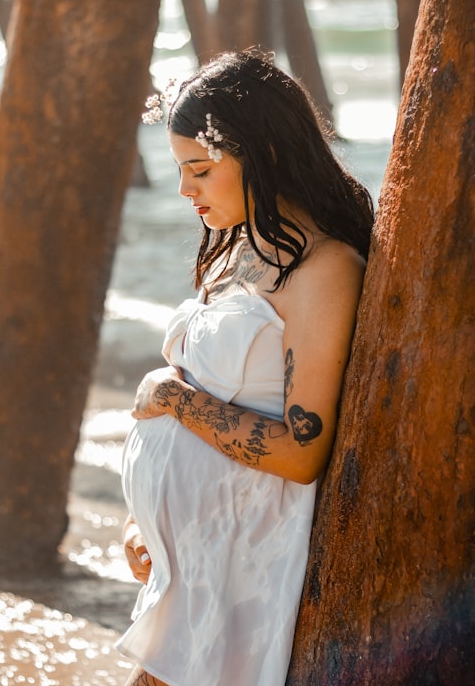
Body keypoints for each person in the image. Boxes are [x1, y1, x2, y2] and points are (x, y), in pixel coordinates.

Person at [118, 50, 375, 686]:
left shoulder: (324, 272)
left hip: (240, 569)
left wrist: (171, 399)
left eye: (200, 170)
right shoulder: (241, 251)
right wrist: (142, 523)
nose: (185, 190)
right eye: (180, 171)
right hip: (194, 560)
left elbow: (301, 453)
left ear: (264, 153)